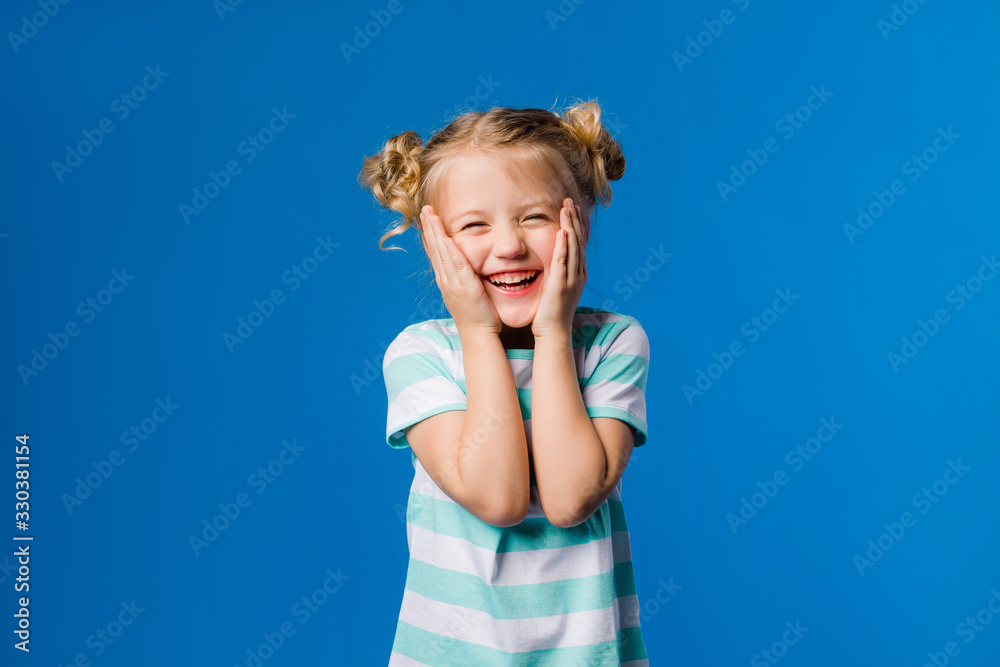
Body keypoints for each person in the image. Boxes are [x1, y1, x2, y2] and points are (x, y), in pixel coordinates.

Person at [359, 98, 651, 666]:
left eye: (535, 216)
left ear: (580, 221)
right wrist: (475, 330)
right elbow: (500, 498)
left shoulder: (613, 343)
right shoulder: (423, 354)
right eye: (475, 225)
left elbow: (569, 500)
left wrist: (553, 333)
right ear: (434, 241)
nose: (510, 245)